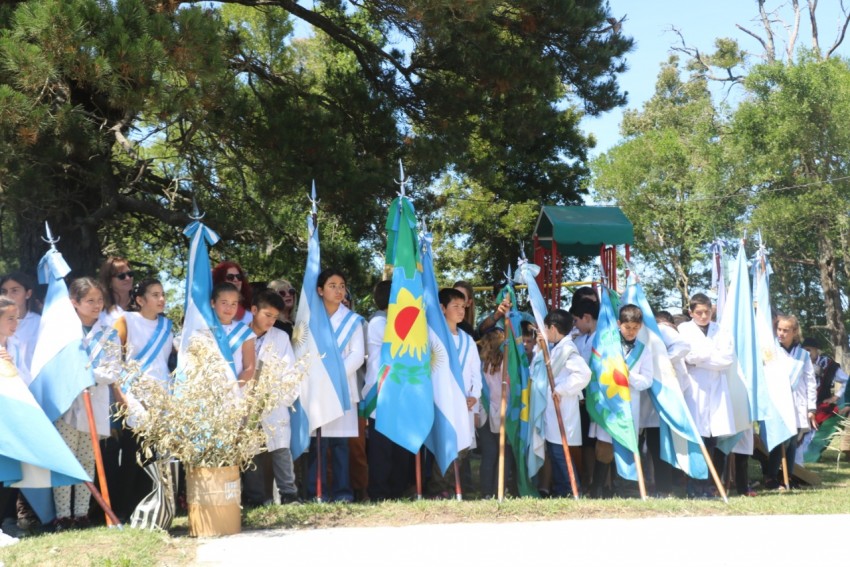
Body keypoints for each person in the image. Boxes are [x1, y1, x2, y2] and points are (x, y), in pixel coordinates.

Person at [53, 278, 118, 531]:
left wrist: (88, 376)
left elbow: (113, 370)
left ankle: (81, 513)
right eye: (90, 300)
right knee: (66, 460)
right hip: (68, 403)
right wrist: (75, 377)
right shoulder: (64, 332)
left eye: (99, 300)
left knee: (87, 460)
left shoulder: (109, 333)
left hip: (96, 401)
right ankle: (62, 514)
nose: (96, 305)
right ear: (75, 303)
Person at [111, 279, 174, 519]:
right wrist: (121, 398)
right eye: (155, 294)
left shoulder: (167, 325)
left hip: (162, 395)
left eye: (163, 294)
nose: (161, 299)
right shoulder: (126, 321)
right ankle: (125, 508)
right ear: (140, 300)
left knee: (157, 455)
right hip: (133, 394)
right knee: (132, 454)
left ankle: (155, 504)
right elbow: (113, 360)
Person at [306, 269, 365, 503]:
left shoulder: (353, 320)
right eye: (332, 285)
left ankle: (343, 492)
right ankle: (316, 492)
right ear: (320, 290)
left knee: (341, 444)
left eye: (342, 285)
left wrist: (333, 376)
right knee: (317, 444)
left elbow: (357, 355)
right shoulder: (310, 319)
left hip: (342, 388)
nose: (339, 290)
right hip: (317, 390)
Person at [587, 304, 653, 498]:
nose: (631, 332)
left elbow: (647, 381)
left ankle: (624, 489)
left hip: (629, 407)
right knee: (604, 448)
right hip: (609, 405)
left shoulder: (644, 351)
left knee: (627, 447)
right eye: (627, 328)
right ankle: (598, 488)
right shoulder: (607, 346)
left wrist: (628, 376)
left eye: (635, 328)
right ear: (618, 324)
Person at [677, 293, 735, 497]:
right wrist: (709, 355)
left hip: (716, 389)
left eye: (707, 312)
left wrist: (700, 358)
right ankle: (694, 486)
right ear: (691, 313)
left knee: (712, 439)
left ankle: (708, 485)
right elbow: (688, 356)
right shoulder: (684, 330)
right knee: (696, 438)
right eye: (699, 312)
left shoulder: (721, 330)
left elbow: (727, 359)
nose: (703, 316)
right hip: (694, 388)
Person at [247, 289, 301, 505]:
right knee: (251, 451)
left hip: (273, 400)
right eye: (267, 315)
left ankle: (289, 494)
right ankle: (255, 497)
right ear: (253, 310)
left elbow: (290, 370)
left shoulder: (280, 337)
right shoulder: (240, 334)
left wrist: (280, 396)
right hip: (247, 402)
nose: (271, 321)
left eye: (275, 317)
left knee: (280, 449)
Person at [427, 288, 481, 498]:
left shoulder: (468, 340)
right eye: (455, 306)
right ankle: (437, 488)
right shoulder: (433, 337)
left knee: (462, 447)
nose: (460, 311)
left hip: (464, 404)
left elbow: (476, 373)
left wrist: (474, 395)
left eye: (463, 306)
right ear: (442, 308)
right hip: (442, 403)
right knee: (443, 445)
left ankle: (449, 487)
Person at [362, 280, 412, 501]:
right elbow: (398, 345)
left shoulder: (391, 320)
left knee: (400, 448)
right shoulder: (378, 322)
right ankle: (380, 493)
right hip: (381, 393)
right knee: (382, 450)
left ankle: (398, 490)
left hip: (399, 394)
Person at [540, 309, 591, 498]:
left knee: (561, 452)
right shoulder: (558, 347)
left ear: (553, 328)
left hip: (562, 406)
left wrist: (561, 389)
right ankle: (563, 490)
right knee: (555, 451)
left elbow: (584, 374)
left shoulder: (567, 349)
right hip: (554, 408)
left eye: (546, 328)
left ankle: (572, 489)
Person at [766, 315, 817, 489]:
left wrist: (811, 408)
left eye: (785, 330)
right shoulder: (771, 351)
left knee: (792, 442)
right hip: (777, 403)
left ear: (794, 332)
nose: (781, 333)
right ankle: (771, 476)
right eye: (779, 329)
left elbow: (810, 381)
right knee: (780, 440)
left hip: (797, 403)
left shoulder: (803, 355)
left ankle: (787, 477)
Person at [477, 327, 517, 498]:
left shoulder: (481, 363)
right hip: (503, 412)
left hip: (485, 411)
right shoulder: (507, 364)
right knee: (504, 454)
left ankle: (486, 492)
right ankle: (498, 490)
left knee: (489, 453)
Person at [568, 298, 599, 491]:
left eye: (576, 320)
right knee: (586, 440)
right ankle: (588, 479)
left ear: (586, 317)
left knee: (599, 440)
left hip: (599, 394)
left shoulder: (605, 337)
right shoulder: (578, 339)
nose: (575, 325)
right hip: (581, 395)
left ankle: (602, 481)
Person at [208, 282, 256, 384]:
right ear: (213, 303)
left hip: (234, 393)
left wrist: (233, 389)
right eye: (224, 303)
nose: (229, 308)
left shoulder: (244, 332)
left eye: (234, 304)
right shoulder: (204, 329)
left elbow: (249, 368)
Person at [0, 272, 40, 374]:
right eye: (4, 291)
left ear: (28, 294)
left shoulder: (40, 323)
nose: (8, 296)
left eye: (15, 291)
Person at [98, 257, 135, 324]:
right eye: (121, 276)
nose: (127, 278)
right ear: (109, 281)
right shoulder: (100, 308)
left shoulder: (142, 304)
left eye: (130, 274)